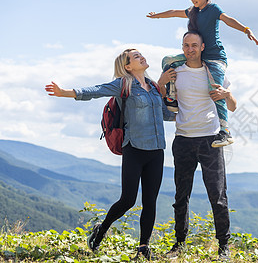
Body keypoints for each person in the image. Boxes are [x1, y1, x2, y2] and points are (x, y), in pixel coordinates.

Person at [45, 49, 175, 260]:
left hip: (157, 150)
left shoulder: (153, 87)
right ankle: (101, 229)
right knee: (128, 200)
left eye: (141, 54)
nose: (142, 57)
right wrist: (66, 92)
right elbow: (97, 90)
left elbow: (164, 114)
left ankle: (143, 248)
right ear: (127, 66)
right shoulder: (123, 84)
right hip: (133, 148)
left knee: (150, 201)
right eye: (136, 57)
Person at [147, 0, 258, 148]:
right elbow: (174, 12)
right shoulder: (193, 11)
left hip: (214, 57)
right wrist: (157, 17)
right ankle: (172, 96)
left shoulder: (212, 9)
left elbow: (227, 19)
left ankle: (225, 132)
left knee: (215, 89)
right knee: (168, 61)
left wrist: (246, 30)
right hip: (198, 54)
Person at [161, 31, 237, 261]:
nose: (190, 49)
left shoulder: (213, 72)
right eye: (186, 45)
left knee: (218, 195)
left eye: (194, 45)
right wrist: (162, 82)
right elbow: (162, 100)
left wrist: (227, 94)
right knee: (181, 195)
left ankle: (224, 246)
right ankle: (179, 244)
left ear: (203, 46)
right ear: (182, 47)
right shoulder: (175, 73)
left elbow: (232, 106)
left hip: (210, 140)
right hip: (183, 139)